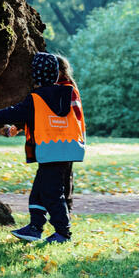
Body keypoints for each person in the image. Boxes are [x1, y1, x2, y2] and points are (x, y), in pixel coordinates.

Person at [0, 52, 85, 244]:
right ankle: (35, 227)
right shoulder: (69, 93)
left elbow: (10, 112)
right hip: (68, 150)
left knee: (52, 193)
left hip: (50, 152)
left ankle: (63, 233)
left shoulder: (36, 98)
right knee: (39, 191)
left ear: (36, 76)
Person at [55, 54, 82, 213]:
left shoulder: (68, 89)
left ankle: (66, 208)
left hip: (66, 140)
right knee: (61, 175)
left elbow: (76, 114)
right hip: (57, 140)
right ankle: (61, 207)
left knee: (65, 176)